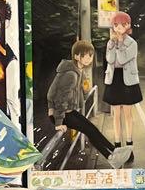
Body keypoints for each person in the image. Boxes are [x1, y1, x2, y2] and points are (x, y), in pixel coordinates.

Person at [45, 38, 126, 168]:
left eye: (91, 55)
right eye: (85, 55)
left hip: (68, 112)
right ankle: (111, 157)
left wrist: (84, 87)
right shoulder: (71, 75)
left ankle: (114, 152)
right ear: (77, 56)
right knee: (90, 131)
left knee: (93, 129)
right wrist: (58, 122)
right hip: (61, 115)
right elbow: (60, 99)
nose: (89, 58)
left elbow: (52, 92)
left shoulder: (77, 71)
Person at [103, 11, 142, 162]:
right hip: (114, 80)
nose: (119, 27)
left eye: (122, 24)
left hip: (127, 81)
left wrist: (119, 43)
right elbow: (110, 59)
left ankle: (130, 148)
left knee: (127, 115)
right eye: (116, 25)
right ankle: (118, 147)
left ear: (128, 26)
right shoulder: (110, 42)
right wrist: (113, 43)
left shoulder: (132, 43)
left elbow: (123, 59)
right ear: (113, 26)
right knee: (116, 115)